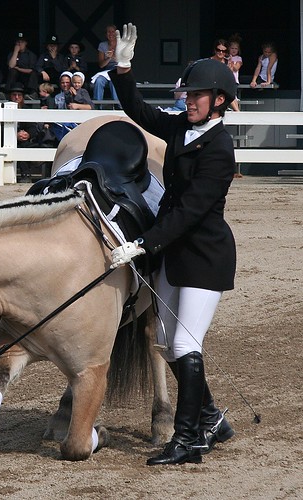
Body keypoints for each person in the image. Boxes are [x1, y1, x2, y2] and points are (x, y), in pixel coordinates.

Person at [110, 24, 237, 466]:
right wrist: (122, 68)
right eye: (188, 93)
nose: (189, 99)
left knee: (185, 345)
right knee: (165, 341)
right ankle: (211, 416)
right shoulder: (184, 128)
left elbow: (191, 212)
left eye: (198, 95)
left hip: (204, 255)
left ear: (219, 100)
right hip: (173, 253)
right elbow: (140, 112)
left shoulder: (220, 149)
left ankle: (189, 441)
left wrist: (142, 242)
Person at [91, 24, 120, 106]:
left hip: (119, 69)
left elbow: (124, 61)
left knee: (114, 81)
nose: (110, 34)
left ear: (116, 33)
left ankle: (118, 105)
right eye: (108, 32)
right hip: (107, 70)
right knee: (99, 80)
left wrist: (113, 57)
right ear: (105, 34)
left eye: (112, 32)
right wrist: (108, 58)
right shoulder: (102, 45)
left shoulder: (121, 44)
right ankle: (97, 105)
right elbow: (101, 65)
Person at [6, 32, 39, 98]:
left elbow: (31, 70)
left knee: (34, 73)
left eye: (22, 42)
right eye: (18, 42)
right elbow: (11, 66)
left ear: (25, 43)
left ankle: (31, 94)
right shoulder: (12, 54)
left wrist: (19, 69)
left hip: (27, 78)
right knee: (13, 71)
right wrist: (16, 52)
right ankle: (8, 93)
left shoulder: (31, 55)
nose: (20, 44)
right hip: (16, 77)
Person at [210, 39, 239, 111]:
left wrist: (230, 67)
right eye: (218, 50)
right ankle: (237, 111)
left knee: (229, 91)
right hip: (212, 86)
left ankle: (237, 111)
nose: (221, 52)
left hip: (224, 87)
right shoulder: (209, 61)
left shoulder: (228, 62)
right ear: (215, 50)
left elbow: (229, 77)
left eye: (223, 51)